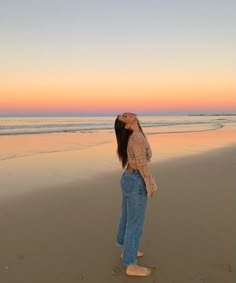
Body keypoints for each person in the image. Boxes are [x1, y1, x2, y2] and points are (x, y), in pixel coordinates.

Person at [114, 112, 158, 277]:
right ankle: (131, 265)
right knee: (135, 223)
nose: (127, 114)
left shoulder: (134, 136)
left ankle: (126, 250)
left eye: (124, 114)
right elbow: (142, 164)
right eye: (124, 117)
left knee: (126, 218)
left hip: (127, 178)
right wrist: (150, 183)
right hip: (136, 181)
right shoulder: (137, 137)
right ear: (126, 125)